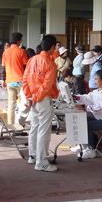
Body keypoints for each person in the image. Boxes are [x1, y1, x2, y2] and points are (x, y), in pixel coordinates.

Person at [23, 35, 59, 172]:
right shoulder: (50, 63)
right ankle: (42, 162)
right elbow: (47, 85)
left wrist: (29, 97)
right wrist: (36, 98)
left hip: (33, 99)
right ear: (52, 47)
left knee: (35, 127)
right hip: (42, 100)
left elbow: (25, 79)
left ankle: (32, 156)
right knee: (43, 131)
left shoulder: (32, 60)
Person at [73, 70, 102, 159]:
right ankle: (83, 144)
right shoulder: (98, 91)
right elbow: (87, 98)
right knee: (81, 120)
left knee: (85, 125)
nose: (95, 81)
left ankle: (90, 149)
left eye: (96, 79)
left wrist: (84, 107)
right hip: (99, 118)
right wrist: (77, 97)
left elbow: (100, 108)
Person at [1, 32, 28, 124]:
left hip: (9, 81)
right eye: (20, 40)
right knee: (22, 103)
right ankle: (20, 124)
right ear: (18, 41)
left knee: (11, 103)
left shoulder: (5, 52)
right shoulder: (21, 51)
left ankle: (10, 123)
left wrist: (4, 80)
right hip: (20, 81)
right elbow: (25, 66)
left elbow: (3, 67)